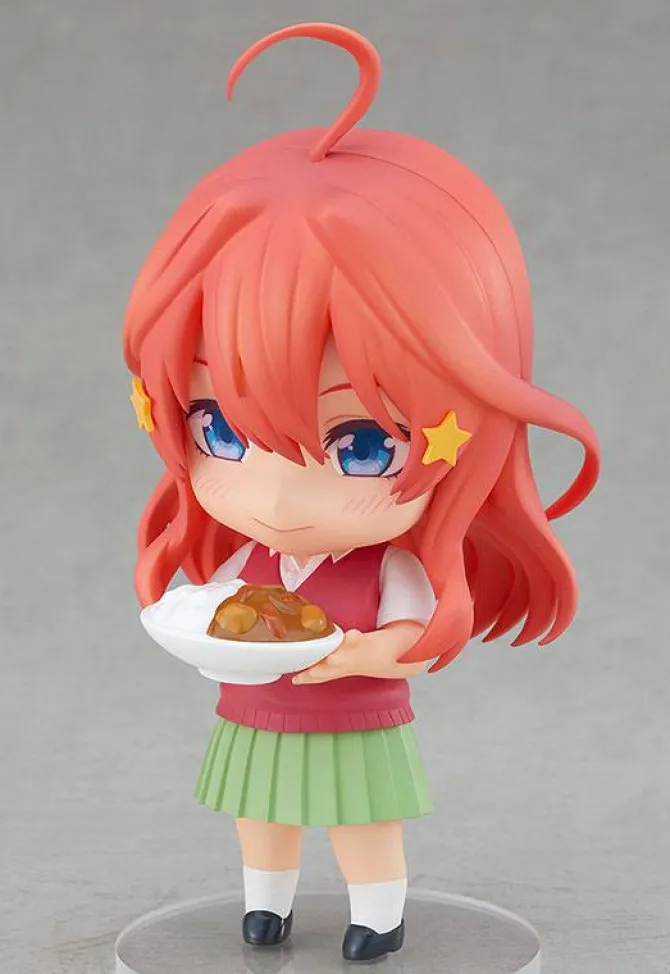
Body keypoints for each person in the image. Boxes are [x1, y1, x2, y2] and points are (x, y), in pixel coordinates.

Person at [122, 22, 599, 963]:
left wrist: (364, 653)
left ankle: (376, 918)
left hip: (355, 718)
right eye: (219, 431)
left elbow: (419, 636)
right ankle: (265, 907)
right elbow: (214, 608)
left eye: (364, 444)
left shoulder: (388, 572)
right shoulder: (248, 563)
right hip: (257, 712)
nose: (276, 498)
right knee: (259, 813)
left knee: (362, 822)